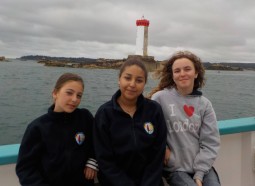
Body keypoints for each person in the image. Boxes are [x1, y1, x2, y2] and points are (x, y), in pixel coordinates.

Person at [148, 51, 221, 186]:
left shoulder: (204, 104)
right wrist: (162, 146)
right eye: (177, 71)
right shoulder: (159, 98)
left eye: (187, 69)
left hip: (202, 167)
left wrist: (199, 173)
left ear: (196, 73)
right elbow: (149, 129)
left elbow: (210, 142)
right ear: (173, 75)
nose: (182, 74)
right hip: (175, 169)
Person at [93, 58, 167, 186]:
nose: (132, 84)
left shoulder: (154, 110)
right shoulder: (105, 113)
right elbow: (104, 159)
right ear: (119, 79)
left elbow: (157, 155)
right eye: (127, 78)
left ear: (144, 84)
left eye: (139, 80)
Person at [16, 73, 98, 186]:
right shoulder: (37, 127)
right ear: (55, 93)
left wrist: (92, 160)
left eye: (79, 95)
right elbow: (25, 168)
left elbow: (98, 140)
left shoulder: (85, 117)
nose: (74, 99)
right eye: (69, 93)